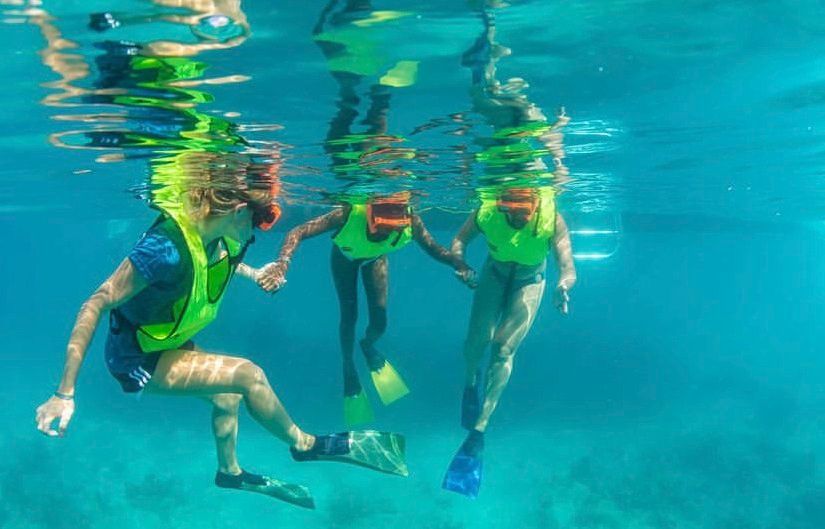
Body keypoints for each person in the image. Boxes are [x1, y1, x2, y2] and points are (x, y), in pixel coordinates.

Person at [34, 173, 408, 511]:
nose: (262, 229)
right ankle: (305, 444)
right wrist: (64, 393)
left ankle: (229, 472)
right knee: (247, 375)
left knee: (226, 396)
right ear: (238, 209)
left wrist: (254, 272)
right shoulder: (164, 248)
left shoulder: (220, 235)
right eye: (263, 219)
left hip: (167, 344)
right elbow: (97, 301)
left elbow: (220, 261)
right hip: (136, 359)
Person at [441, 4, 575, 498]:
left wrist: (566, 282)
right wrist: (459, 262)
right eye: (510, 201)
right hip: (496, 274)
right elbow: (458, 241)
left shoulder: (549, 208)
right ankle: (467, 384)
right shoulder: (489, 208)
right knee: (473, 345)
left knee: (504, 347)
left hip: (532, 280)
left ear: (534, 195)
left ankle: (479, 434)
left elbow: (565, 256)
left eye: (523, 202)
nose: (517, 210)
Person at [254, 192, 477, 426]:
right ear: (370, 216)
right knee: (349, 316)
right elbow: (297, 231)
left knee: (380, 320)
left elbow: (434, 249)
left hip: (375, 259)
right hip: (345, 257)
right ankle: (348, 368)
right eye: (381, 228)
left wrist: (460, 265)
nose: (385, 234)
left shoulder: (411, 221)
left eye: (393, 230)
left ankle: (368, 345)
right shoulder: (349, 213)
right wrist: (282, 264)